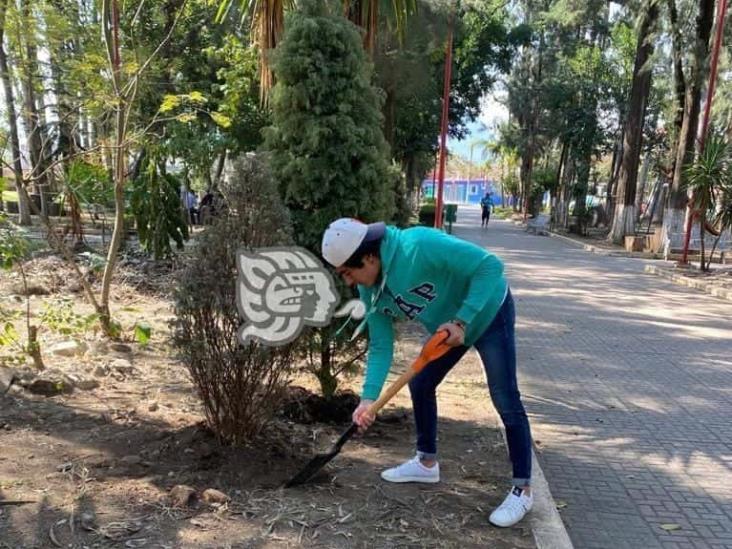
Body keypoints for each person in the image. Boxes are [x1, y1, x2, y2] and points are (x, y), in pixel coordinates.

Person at [321, 218, 534, 528]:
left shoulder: (418, 245)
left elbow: (490, 267)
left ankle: (523, 489)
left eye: (348, 273)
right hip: (448, 330)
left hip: (488, 312)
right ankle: (426, 462)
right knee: (421, 383)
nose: (349, 283)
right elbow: (381, 345)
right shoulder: (373, 291)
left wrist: (462, 321)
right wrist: (368, 399)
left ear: (369, 257)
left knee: (504, 397)